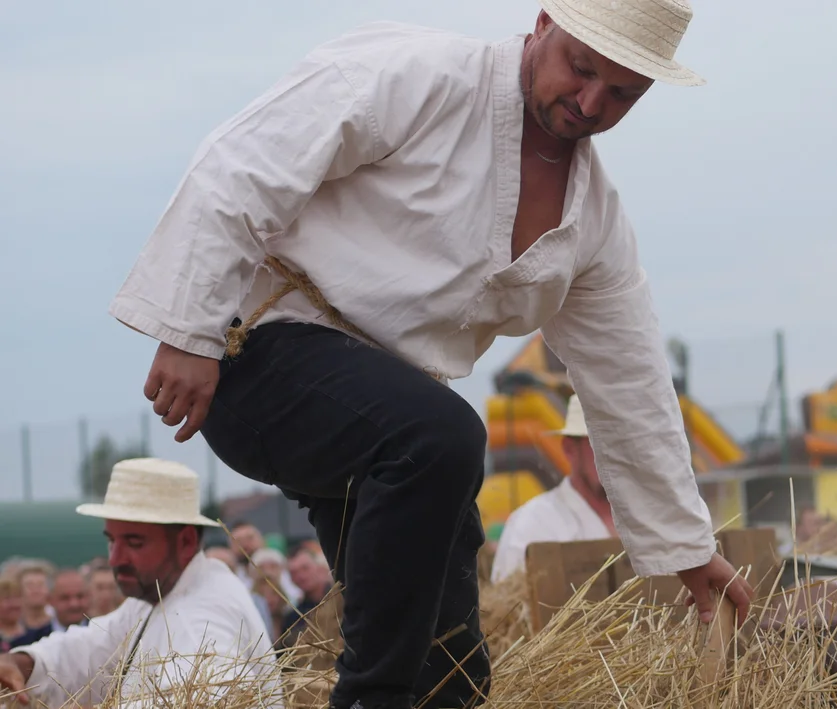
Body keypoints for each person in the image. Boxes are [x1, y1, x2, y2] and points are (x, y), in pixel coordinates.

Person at [105, 2, 752, 708]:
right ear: (542, 27)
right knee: (442, 436)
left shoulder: (592, 222)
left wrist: (688, 548)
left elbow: (631, 383)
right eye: (582, 67)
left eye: (623, 92)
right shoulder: (420, 75)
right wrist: (190, 328)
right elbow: (247, 164)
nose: (592, 101)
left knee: (451, 668)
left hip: (382, 425)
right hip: (256, 345)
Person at [0, 459, 277, 708]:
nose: (116, 558)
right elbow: (93, 648)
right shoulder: (159, 593)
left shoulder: (202, 626)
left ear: (186, 541)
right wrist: (21, 664)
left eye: (134, 542)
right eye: (112, 540)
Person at [491, 396, 617, 583]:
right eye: (600, 444)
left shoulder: (649, 518)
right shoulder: (532, 526)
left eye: (622, 444)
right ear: (570, 449)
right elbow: (509, 607)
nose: (614, 455)